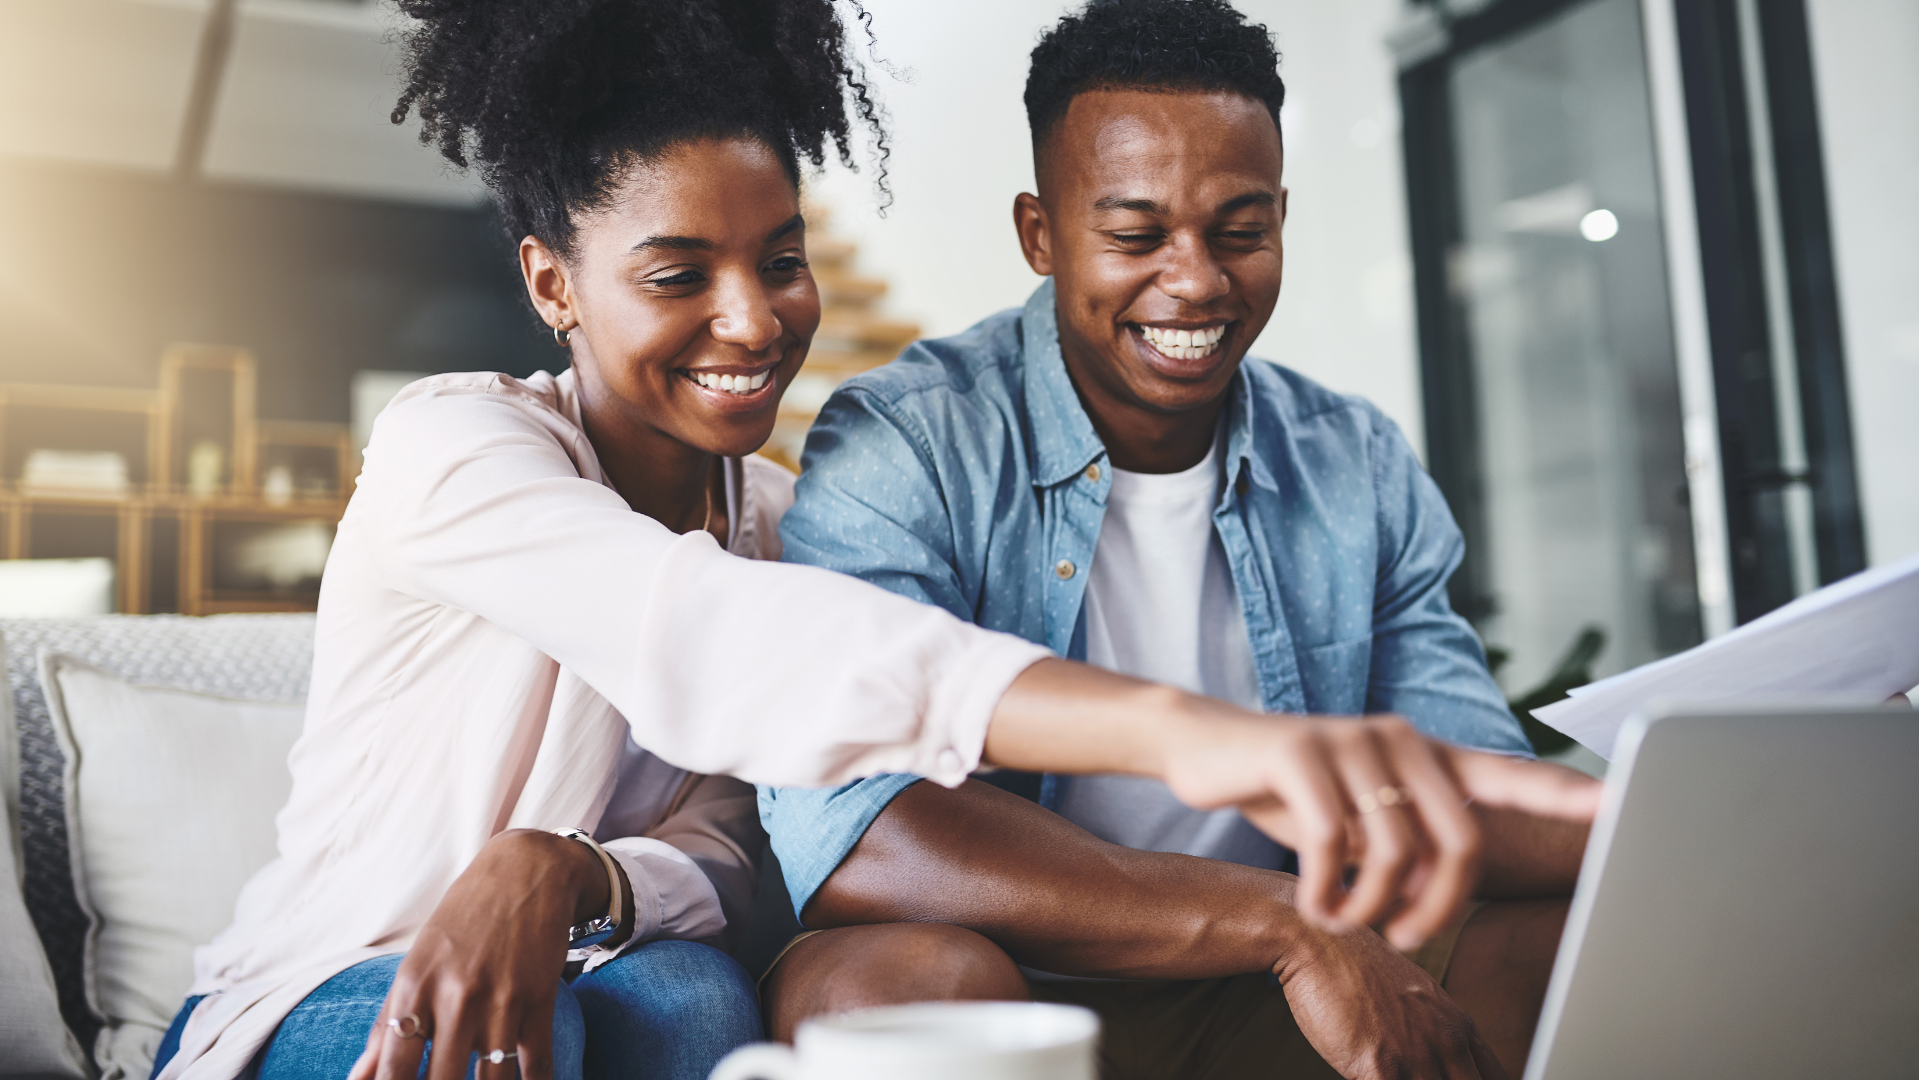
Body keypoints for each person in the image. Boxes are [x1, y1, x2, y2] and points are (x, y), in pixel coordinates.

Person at [150, 2, 1596, 1078]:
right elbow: (730, 650)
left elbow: (732, 847)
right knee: (541, 1036)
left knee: (693, 1004)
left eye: (779, 262)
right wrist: (1196, 739)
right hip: (334, 981)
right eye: (678, 273)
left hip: (609, 960)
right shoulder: (454, 451)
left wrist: (575, 872)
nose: (753, 316)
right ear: (553, 283)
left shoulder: (774, 520)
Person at [756, 2, 1587, 1078]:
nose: (1195, 279)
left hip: (1271, 989)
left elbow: (1465, 778)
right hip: (1020, 980)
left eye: (1240, 230)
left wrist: (1651, 817)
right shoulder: (910, 444)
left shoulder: (1353, 463)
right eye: (1136, 235)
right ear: (1040, 234)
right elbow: (862, 832)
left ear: (1281, 216)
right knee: (905, 986)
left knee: (1560, 936)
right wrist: (1282, 922)